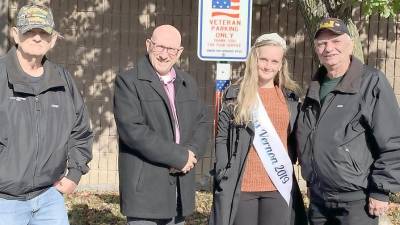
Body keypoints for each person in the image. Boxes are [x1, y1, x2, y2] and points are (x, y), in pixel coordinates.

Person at [296, 17, 400, 225]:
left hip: (357, 200)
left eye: (336, 42)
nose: (329, 48)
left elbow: (393, 142)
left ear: (350, 45)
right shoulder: (315, 87)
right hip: (319, 199)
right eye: (322, 44)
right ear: (316, 49)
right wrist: (310, 178)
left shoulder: (371, 82)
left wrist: (381, 190)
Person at [0, 3, 93, 225]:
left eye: (44, 32)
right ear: (15, 34)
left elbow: (80, 131)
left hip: (49, 198)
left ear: (53, 39)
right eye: (30, 31)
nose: (37, 38)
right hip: (4, 202)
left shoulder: (63, 79)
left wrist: (75, 174)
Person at [114, 24, 209, 225]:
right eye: (160, 47)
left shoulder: (187, 82)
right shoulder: (128, 81)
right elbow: (133, 131)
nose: (164, 55)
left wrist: (192, 153)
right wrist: (179, 156)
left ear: (179, 52)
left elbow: (201, 122)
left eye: (171, 49)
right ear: (148, 44)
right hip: (145, 193)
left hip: (179, 189)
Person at [209, 33, 307, 225]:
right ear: (254, 59)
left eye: (274, 61)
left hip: (278, 184)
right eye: (263, 59)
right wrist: (223, 171)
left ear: (281, 65)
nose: (268, 66)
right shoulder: (235, 95)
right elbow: (221, 137)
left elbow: (296, 138)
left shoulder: (290, 99)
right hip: (242, 184)